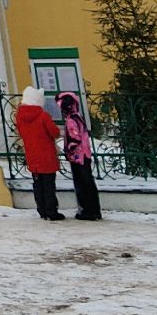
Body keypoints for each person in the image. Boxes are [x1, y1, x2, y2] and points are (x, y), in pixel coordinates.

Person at [14, 85, 66, 221]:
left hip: (32, 154)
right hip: (46, 155)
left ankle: (42, 210)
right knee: (49, 184)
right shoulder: (43, 116)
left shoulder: (19, 116)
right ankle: (52, 211)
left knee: (37, 183)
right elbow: (54, 132)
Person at [58, 91, 102, 221]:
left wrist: (69, 149)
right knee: (88, 182)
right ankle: (94, 210)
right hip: (85, 154)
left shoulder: (72, 120)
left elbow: (74, 138)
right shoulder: (78, 117)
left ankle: (88, 210)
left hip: (78, 156)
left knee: (82, 183)